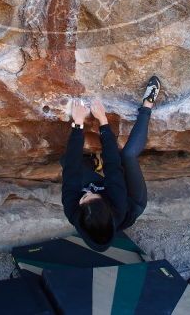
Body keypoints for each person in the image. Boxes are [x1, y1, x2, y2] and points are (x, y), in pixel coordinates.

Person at [61, 76, 161, 251]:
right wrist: (103, 121)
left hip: (103, 189)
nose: (87, 194)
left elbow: (70, 167)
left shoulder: (73, 211)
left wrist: (78, 124)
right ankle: (148, 104)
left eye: (83, 198)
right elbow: (113, 166)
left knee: (69, 163)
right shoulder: (119, 206)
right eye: (91, 196)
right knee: (128, 156)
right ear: (104, 202)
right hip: (131, 199)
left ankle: (93, 163)